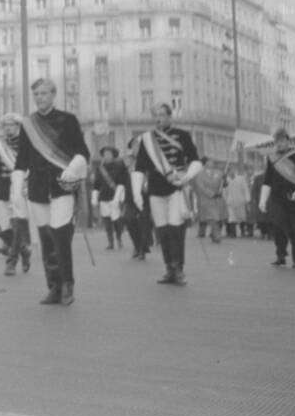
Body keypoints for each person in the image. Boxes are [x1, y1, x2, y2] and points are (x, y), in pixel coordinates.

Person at [12, 78, 89, 307]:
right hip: (37, 188)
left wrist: (73, 169)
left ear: (53, 94)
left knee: (60, 236)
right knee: (46, 239)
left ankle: (67, 284)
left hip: (61, 186)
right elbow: (21, 160)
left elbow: (82, 152)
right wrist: (17, 191)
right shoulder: (28, 125)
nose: (40, 98)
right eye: (36, 94)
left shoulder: (68, 120)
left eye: (44, 93)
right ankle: (53, 286)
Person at [131, 103, 202, 286]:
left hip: (175, 188)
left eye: (162, 115)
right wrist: (137, 192)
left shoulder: (182, 135)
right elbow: (139, 168)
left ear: (170, 116)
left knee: (175, 230)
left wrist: (186, 177)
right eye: (155, 115)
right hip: (156, 189)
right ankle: (169, 269)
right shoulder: (147, 139)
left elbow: (195, 161)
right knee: (162, 232)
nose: (158, 118)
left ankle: (178, 269)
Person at [0, 113, 32, 276]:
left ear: (18, 126)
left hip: (20, 188)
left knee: (18, 226)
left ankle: (11, 262)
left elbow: (31, 166)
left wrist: (28, 183)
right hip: (3, 189)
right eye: (5, 126)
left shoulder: (27, 143)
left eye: (11, 125)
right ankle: (24, 250)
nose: (7, 128)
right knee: (2, 228)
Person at [259, 128, 295, 269]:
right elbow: (267, 180)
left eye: (282, 140)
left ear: (288, 141)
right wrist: (263, 200)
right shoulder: (272, 158)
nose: (280, 144)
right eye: (277, 141)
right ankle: (281, 256)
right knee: (278, 227)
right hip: (277, 198)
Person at [91, 146, 128, 251]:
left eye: (109, 153)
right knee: (107, 221)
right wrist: (94, 198)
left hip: (115, 196)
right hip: (104, 196)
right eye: (105, 153)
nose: (107, 155)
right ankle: (110, 242)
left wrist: (118, 198)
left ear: (113, 155)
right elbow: (96, 185)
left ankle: (119, 238)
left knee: (116, 220)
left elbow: (122, 182)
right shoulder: (100, 168)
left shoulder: (120, 166)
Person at [192, 159, 226, 244]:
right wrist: (211, 194)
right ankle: (217, 235)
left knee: (219, 219)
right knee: (213, 218)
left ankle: (213, 234)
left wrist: (224, 180)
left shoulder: (219, 173)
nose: (211, 167)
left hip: (218, 200)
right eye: (209, 165)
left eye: (213, 165)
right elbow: (201, 187)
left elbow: (223, 184)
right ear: (205, 166)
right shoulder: (200, 175)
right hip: (206, 200)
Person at [224, 163, 251, 239]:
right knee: (232, 218)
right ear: (228, 172)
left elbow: (245, 189)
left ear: (235, 170)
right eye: (230, 170)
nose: (231, 172)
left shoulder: (241, 179)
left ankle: (242, 231)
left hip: (240, 201)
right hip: (230, 202)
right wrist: (226, 200)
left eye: (233, 170)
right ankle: (233, 233)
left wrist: (247, 199)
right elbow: (224, 192)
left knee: (242, 217)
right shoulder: (226, 180)